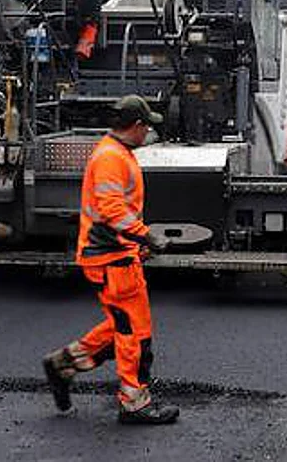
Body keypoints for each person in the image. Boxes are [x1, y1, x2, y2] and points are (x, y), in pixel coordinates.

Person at [41, 95, 178, 425]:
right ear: (137, 125)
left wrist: (136, 244)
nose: (149, 133)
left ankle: (64, 363)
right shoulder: (111, 157)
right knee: (133, 334)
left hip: (116, 256)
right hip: (110, 260)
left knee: (125, 327)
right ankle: (134, 403)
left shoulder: (116, 152)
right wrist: (146, 236)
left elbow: (117, 210)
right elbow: (111, 209)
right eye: (147, 127)